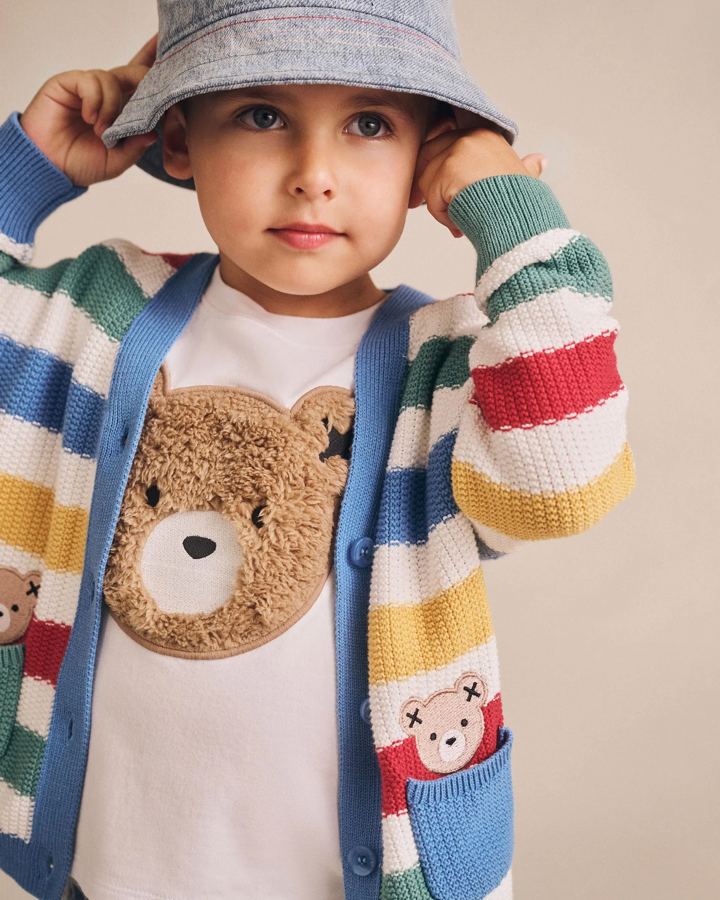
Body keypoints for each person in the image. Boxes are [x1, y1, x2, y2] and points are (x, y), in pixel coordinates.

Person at [0, 2, 634, 899]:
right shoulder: (92, 317)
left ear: (429, 159)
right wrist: (25, 171)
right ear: (178, 142)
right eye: (261, 116)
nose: (314, 176)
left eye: (370, 124)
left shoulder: (448, 369)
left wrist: (511, 213)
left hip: (368, 876)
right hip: (107, 870)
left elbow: (567, 476)